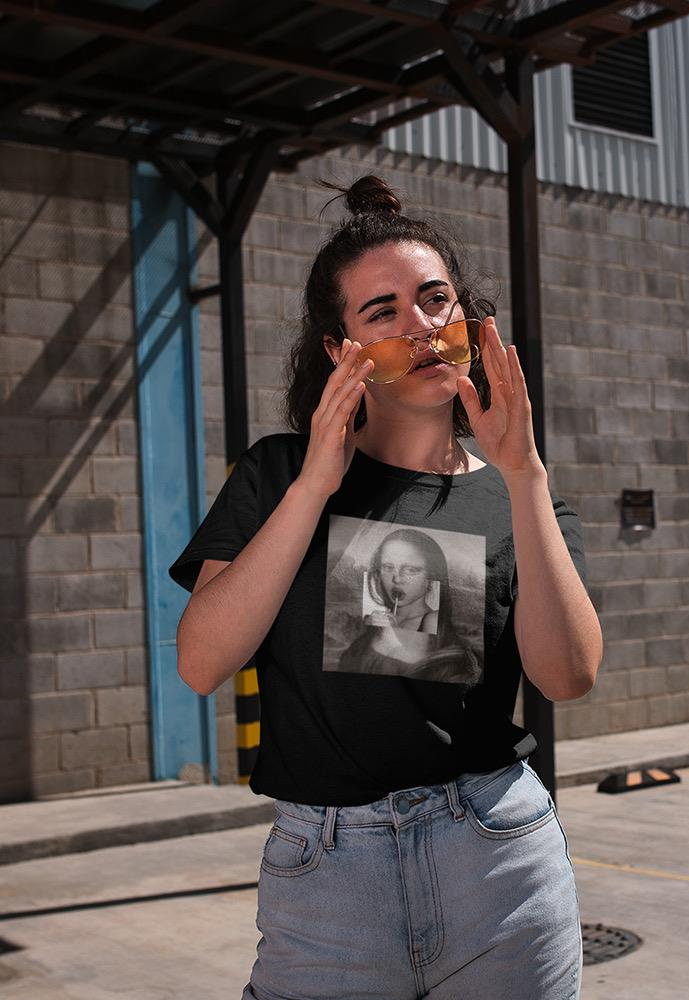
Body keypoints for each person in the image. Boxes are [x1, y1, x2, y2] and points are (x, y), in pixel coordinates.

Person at [168, 175, 603, 1000]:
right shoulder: (278, 473)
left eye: (436, 299)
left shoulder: (523, 496)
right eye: (384, 311)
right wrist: (314, 489)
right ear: (343, 352)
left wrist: (525, 475)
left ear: (470, 320)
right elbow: (201, 663)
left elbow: (569, 676)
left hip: (499, 854)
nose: (423, 326)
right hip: (329, 875)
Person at [335, 527, 482, 684]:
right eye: (388, 567)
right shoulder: (371, 628)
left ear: (431, 577)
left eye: (411, 570)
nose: (396, 579)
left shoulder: (452, 656)